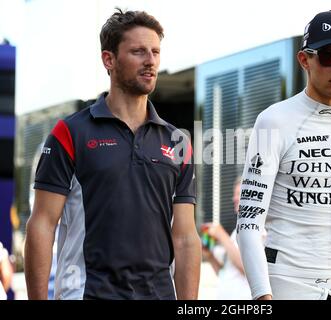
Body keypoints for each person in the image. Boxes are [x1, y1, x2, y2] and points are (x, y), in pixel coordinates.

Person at [24, 8, 201, 300]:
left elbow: (184, 238)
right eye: (139, 52)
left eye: (155, 52)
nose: (151, 62)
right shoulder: (69, 133)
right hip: (86, 293)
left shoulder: (177, 140)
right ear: (109, 59)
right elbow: (42, 224)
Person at [237, 10, 331, 300]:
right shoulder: (273, 120)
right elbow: (248, 221)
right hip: (287, 284)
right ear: (304, 59)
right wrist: (262, 295)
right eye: (328, 56)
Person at [201, 178, 253, 300]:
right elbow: (225, 274)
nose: (234, 199)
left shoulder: (259, 230)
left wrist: (221, 235)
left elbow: (248, 268)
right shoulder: (237, 231)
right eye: (234, 194)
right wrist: (210, 257)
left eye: (239, 194)